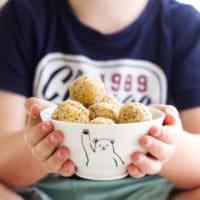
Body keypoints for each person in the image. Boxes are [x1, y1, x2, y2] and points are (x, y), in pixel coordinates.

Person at [0, 0, 200, 200]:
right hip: (46, 191)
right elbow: (3, 160)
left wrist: (165, 145)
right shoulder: (22, 15)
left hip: (149, 191)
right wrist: (43, 141)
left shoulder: (183, 25)